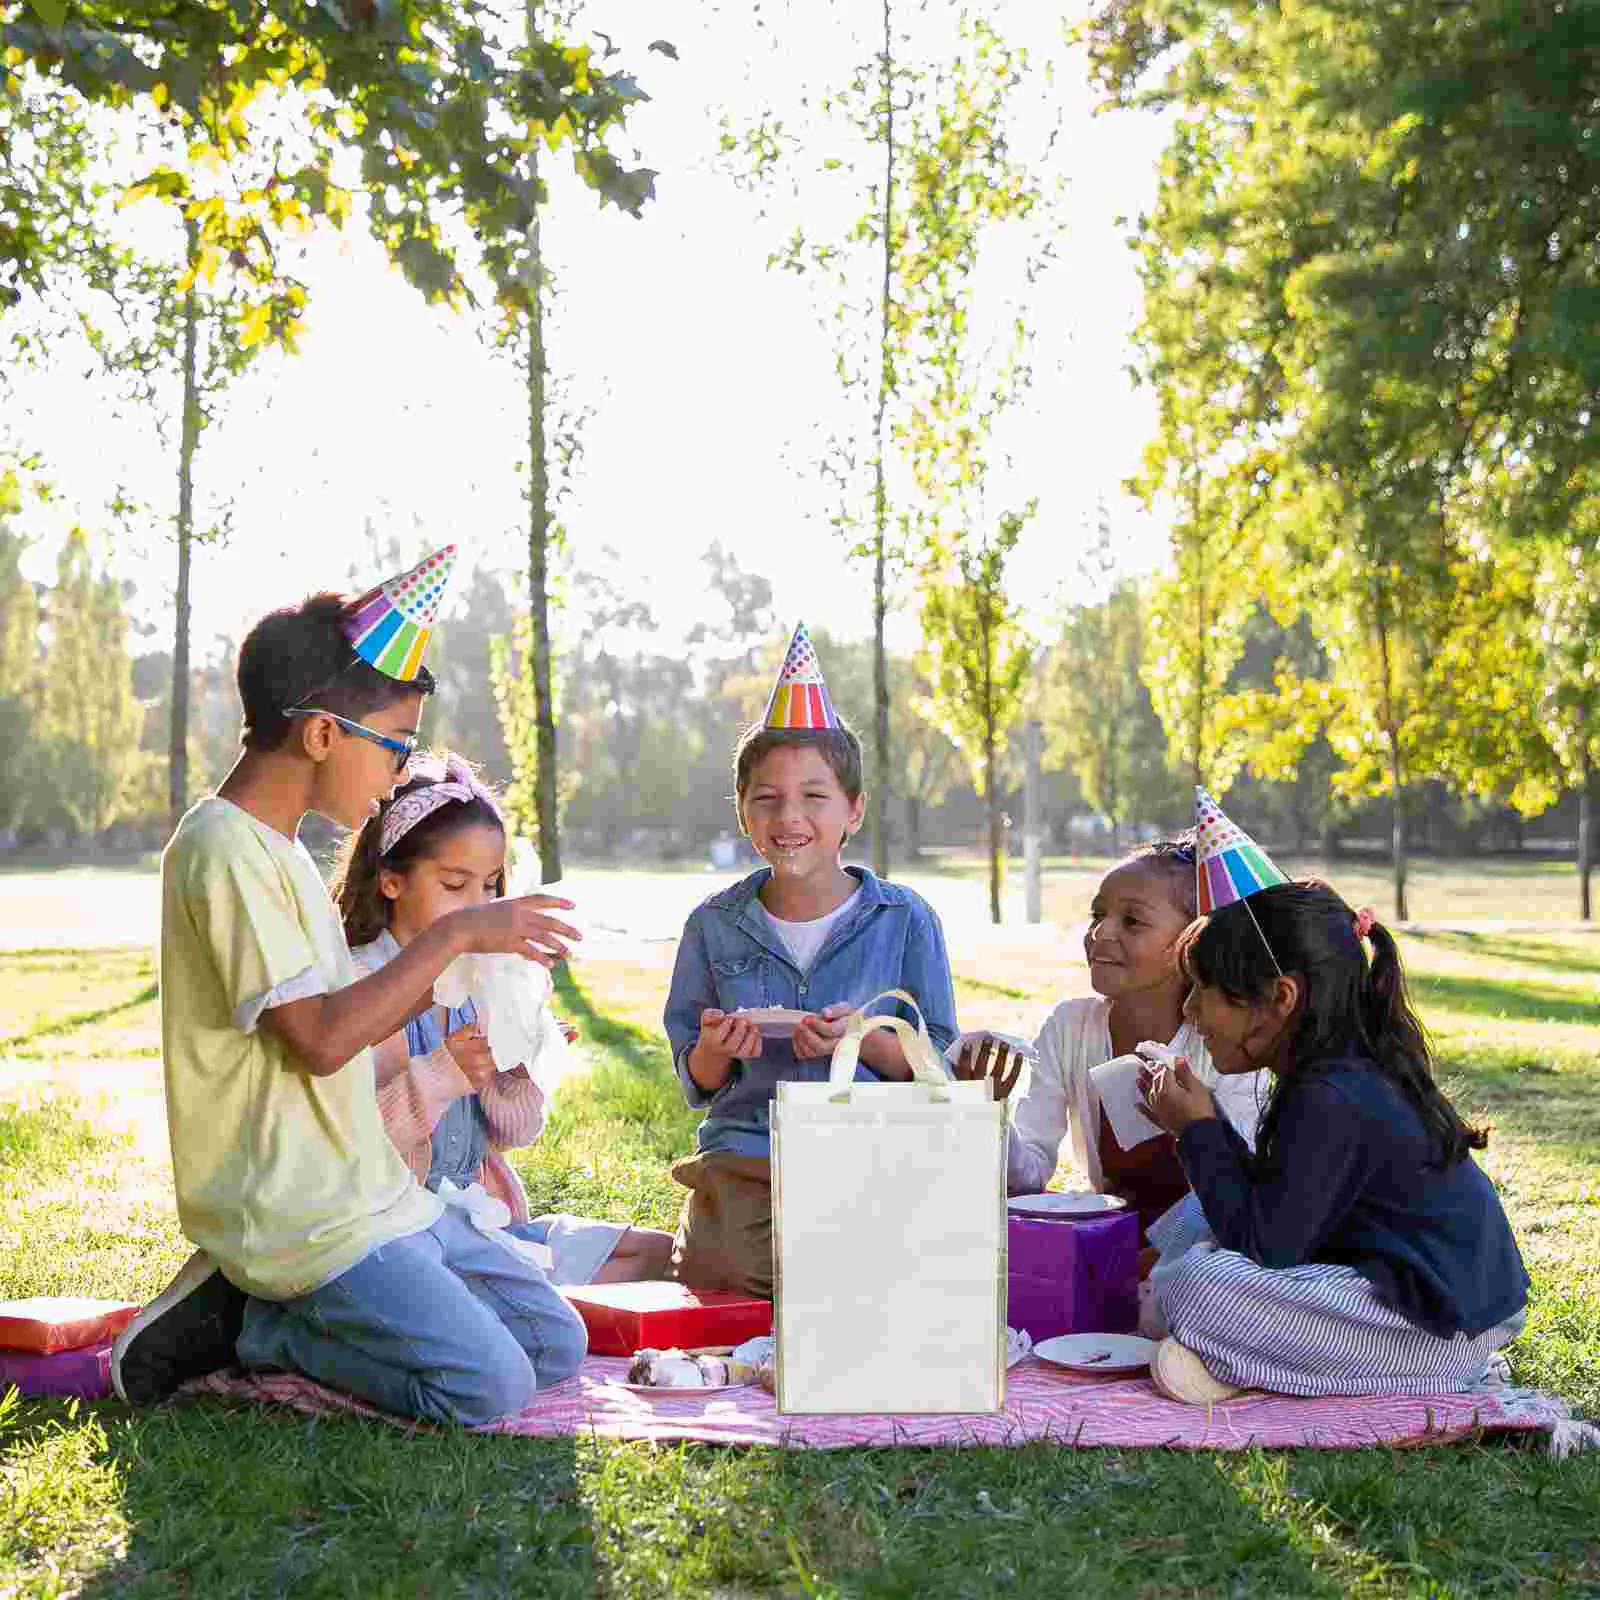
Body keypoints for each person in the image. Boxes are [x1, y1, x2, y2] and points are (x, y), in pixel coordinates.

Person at [113, 548, 592, 1425]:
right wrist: (455, 934)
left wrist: (490, 993)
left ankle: (290, 1316)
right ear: (323, 735)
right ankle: (258, 1328)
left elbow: (361, 1017)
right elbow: (321, 1039)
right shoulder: (220, 849)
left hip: (373, 1187)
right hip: (299, 1213)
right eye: (394, 746)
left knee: (555, 1344)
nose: (397, 774)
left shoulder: (286, 852)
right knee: (491, 1388)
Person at [1136, 800, 1529, 1405]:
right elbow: (1274, 1213)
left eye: (1204, 992)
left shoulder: (1334, 1093)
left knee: (1199, 1287)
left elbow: (1268, 1247)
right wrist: (1203, 1118)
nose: (1189, 1012)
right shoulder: (1330, 1074)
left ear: (1280, 998)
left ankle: (1240, 1360)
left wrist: (1197, 1131)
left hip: (1437, 1329)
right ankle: (1239, 1359)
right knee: (1195, 1221)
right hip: (1397, 1297)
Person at [662, 624, 961, 1296]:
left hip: (871, 1150)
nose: (788, 816)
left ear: (854, 810)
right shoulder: (713, 926)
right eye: (766, 798)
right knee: (740, 1272)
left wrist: (866, 1037)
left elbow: (935, 1064)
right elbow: (697, 1080)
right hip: (750, 1154)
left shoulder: (906, 920)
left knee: (866, 1273)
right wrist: (716, 1049)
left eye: (814, 797)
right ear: (743, 811)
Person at [332, 750, 673, 1283]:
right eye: (454, 885)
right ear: (391, 881)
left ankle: (525, 1291)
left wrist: (516, 1073)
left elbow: (512, 1135)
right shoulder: (363, 984)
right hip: (406, 1235)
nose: (480, 906)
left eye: (490, 885)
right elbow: (355, 1149)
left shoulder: (482, 980)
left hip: (484, 1221)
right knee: (567, 1292)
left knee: (661, 1255)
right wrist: (443, 1074)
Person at [1003, 837, 1270, 1240]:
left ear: (1194, 939)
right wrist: (986, 1111)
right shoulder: (1070, 1026)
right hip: (1113, 1241)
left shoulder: (1227, 1044)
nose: (1100, 933)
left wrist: (1152, 1256)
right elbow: (1029, 1175)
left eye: (1132, 921)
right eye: (1098, 915)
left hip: (1207, 1247)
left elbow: (1241, 1190)